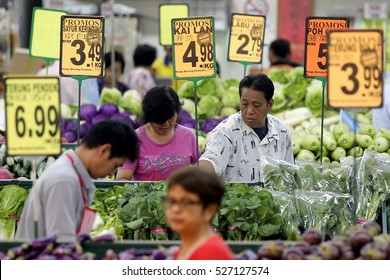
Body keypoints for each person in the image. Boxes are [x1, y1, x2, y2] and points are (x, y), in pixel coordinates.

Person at [15, 120, 139, 242]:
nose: (112, 173)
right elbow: (62, 246)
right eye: (115, 165)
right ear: (104, 150)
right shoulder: (64, 180)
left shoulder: (73, 175)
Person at [199, 73, 294, 183]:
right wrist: (199, 173)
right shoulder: (225, 132)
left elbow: (289, 172)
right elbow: (211, 160)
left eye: (256, 105)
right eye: (244, 104)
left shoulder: (282, 131)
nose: (249, 111)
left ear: (270, 104)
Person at [116, 85, 200, 181]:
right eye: (160, 120)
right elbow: (122, 179)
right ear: (149, 117)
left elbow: (200, 172)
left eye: (170, 118)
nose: (166, 124)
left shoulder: (188, 136)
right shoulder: (134, 140)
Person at [165, 165, 234, 260]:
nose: (175, 209)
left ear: (209, 210)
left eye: (187, 202)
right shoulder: (184, 250)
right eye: (172, 201)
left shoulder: (212, 252)